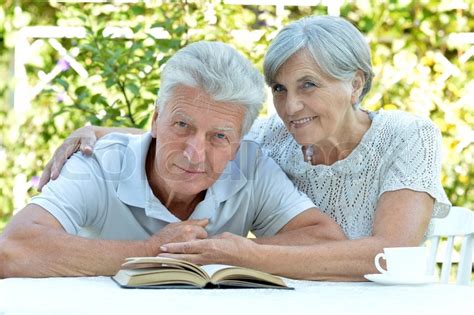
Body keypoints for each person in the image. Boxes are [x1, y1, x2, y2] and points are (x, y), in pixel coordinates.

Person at [33, 16, 451, 281]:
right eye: (280, 89)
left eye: (309, 85)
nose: (291, 106)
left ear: (356, 83)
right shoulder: (274, 138)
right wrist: (100, 133)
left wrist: (249, 254)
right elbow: (205, 134)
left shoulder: (407, 134)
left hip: (390, 298)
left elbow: (392, 251)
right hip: (308, 297)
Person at [0, 41, 347, 278]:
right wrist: (151, 251)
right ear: (154, 121)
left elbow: (325, 242)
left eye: (219, 137)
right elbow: (13, 248)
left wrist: (242, 252)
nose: (194, 153)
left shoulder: (251, 166)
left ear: (239, 143)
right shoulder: (98, 162)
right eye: (182, 125)